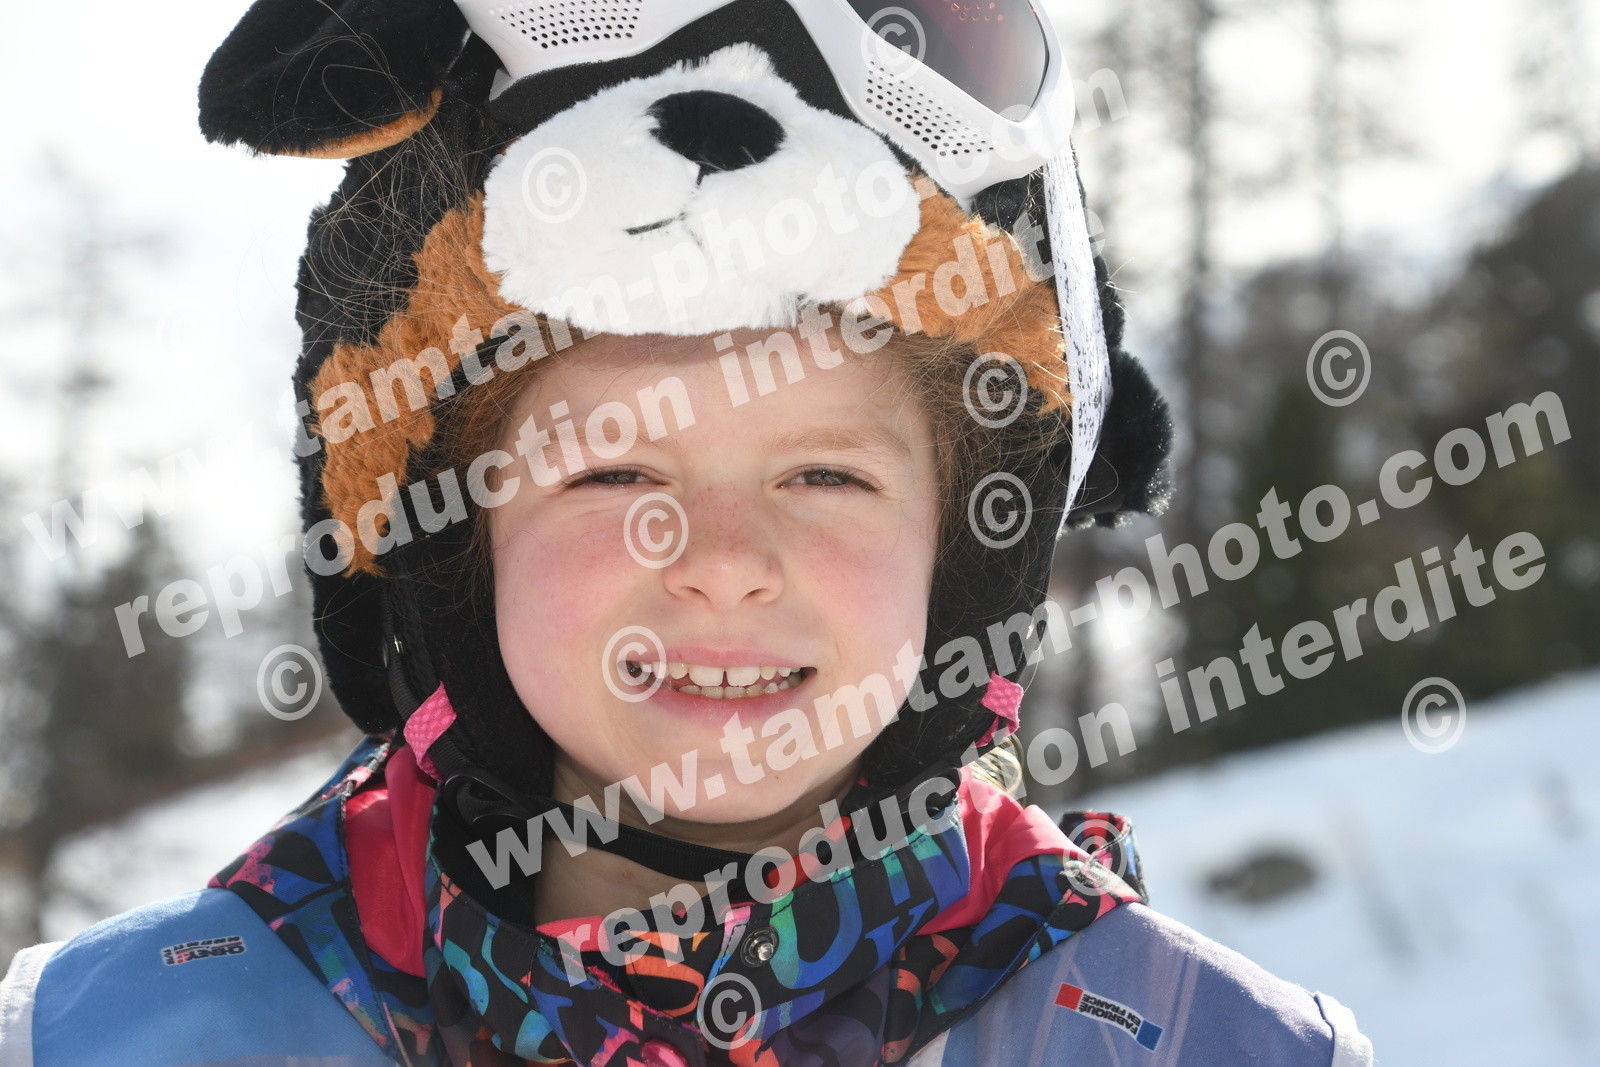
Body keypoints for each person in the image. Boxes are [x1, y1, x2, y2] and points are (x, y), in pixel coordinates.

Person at [0, 1, 1374, 1064]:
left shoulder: (1200, 1045)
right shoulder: (117, 1037)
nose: (722, 558)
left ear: (964, 558)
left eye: (825, 476)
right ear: (451, 552)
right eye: (611, 473)